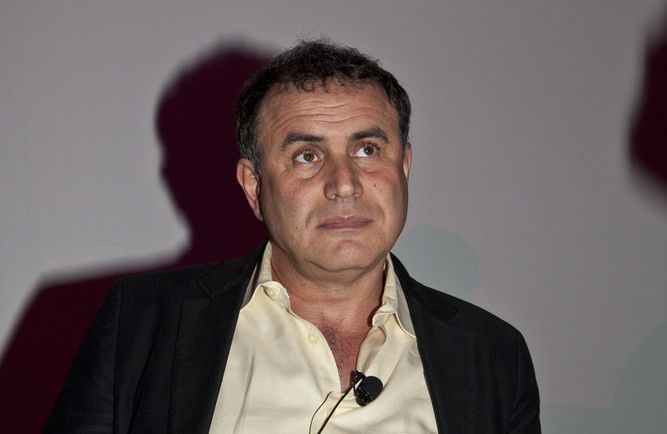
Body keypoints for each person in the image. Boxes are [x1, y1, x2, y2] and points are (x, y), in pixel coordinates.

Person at [44, 40, 540, 433]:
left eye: (367, 150)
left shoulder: (494, 355)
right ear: (254, 186)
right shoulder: (140, 324)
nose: (344, 183)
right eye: (307, 156)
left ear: (404, 167)